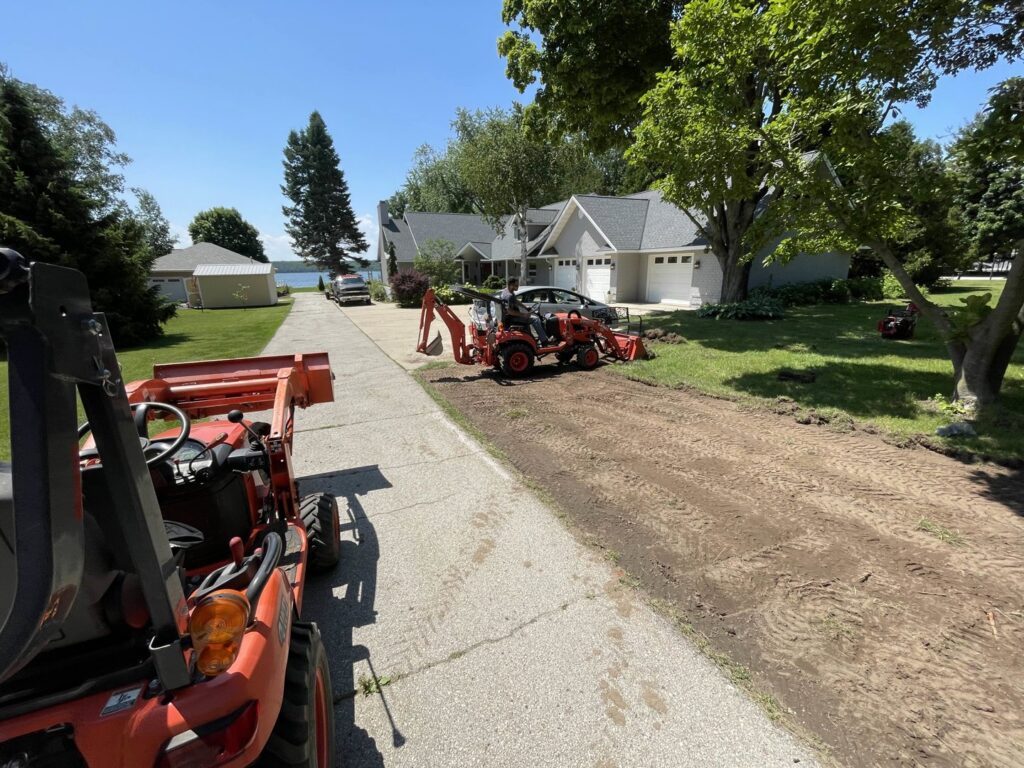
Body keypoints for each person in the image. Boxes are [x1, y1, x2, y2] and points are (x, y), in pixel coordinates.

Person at [499, 277, 552, 346]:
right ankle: (544, 340)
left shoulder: (506, 291)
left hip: (508, 318)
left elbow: (515, 301)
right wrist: (524, 315)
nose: (518, 287)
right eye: (516, 285)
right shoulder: (509, 296)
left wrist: (525, 307)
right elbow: (509, 311)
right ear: (511, 285)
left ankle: (531, 338)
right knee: (536, 319)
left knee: (530, 319)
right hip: (511, 319)